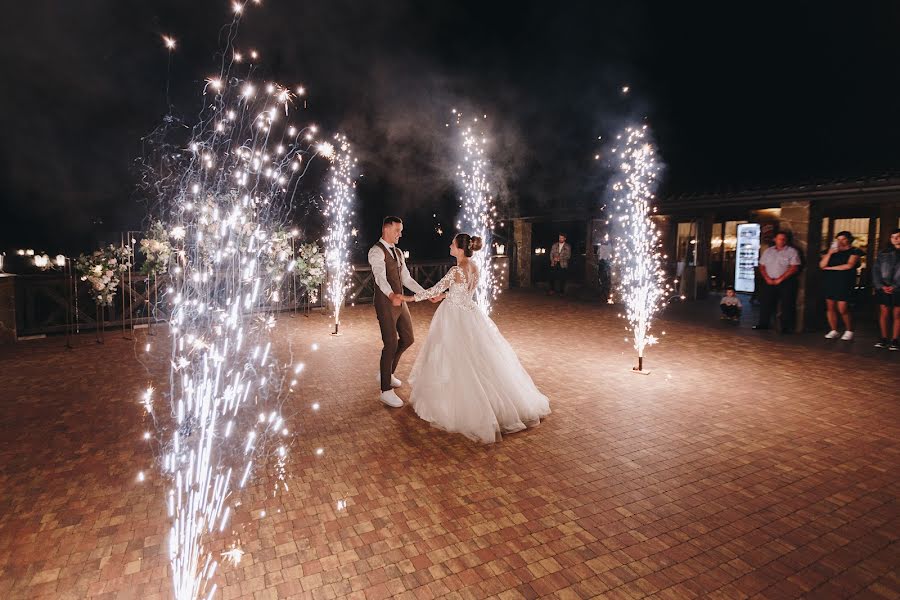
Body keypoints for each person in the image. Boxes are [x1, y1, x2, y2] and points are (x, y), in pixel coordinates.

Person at [398, 233, 550, 443]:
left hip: (453, 317)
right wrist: (445, 295)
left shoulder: (455, 270)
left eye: (452, 243)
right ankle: (499, 404)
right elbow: (461, 292)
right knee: (480, 357)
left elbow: (433, 290)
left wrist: (406, 297)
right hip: (470, 313)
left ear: (460, 248)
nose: (450, 246)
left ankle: (462, 406)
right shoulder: (474, 267)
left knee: (454, 358)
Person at [367, 216, 438, 408]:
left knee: (408, 339)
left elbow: (406, 279)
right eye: (397, 230)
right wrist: (391, 295)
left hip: (400, 302)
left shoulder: (398, 252)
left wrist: (425, 294)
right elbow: (380, 277)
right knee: (390, 343)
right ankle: (385, 390)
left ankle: (387, 373)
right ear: (386, 229)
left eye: (401, 230)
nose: (400, 234)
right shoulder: (376, 251)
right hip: (385, 302)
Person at [819, 231, 864, 340]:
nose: (840, 241)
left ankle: (849, 330)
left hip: (845, 282)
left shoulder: (855, 251)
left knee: (842, 308)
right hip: (830, 281)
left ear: (849, 239)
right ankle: (833, 330)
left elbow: (849, 265)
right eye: (838, 239)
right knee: (830, 307)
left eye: (843, 239)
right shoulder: (830, 251)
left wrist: (830, 268)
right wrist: (830, 253)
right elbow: (822, 265)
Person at [754, 232, 801, 333]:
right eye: (779, 239)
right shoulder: (768, 251)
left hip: (786, 282)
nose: (781, 241)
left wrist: (781, 278)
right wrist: (767, 278)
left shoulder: (792, 251)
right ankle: (763, 323)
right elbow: (762, 266)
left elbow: (794, 268)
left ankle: (786, 327)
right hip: (769, 280)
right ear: (775, 239)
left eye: (783, 239)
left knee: (787, 304)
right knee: (765, 303)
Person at [872, 228, 900, 350]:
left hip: (898, 289)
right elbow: (876, 270)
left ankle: (895, 340)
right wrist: (880, 285)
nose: (895, 239)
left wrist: (895, 286)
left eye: (898, 236)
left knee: (897, 314)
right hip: (883, 287)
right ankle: (883, 339)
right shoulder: (883, 253)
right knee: (884, 313)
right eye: (893, 236)